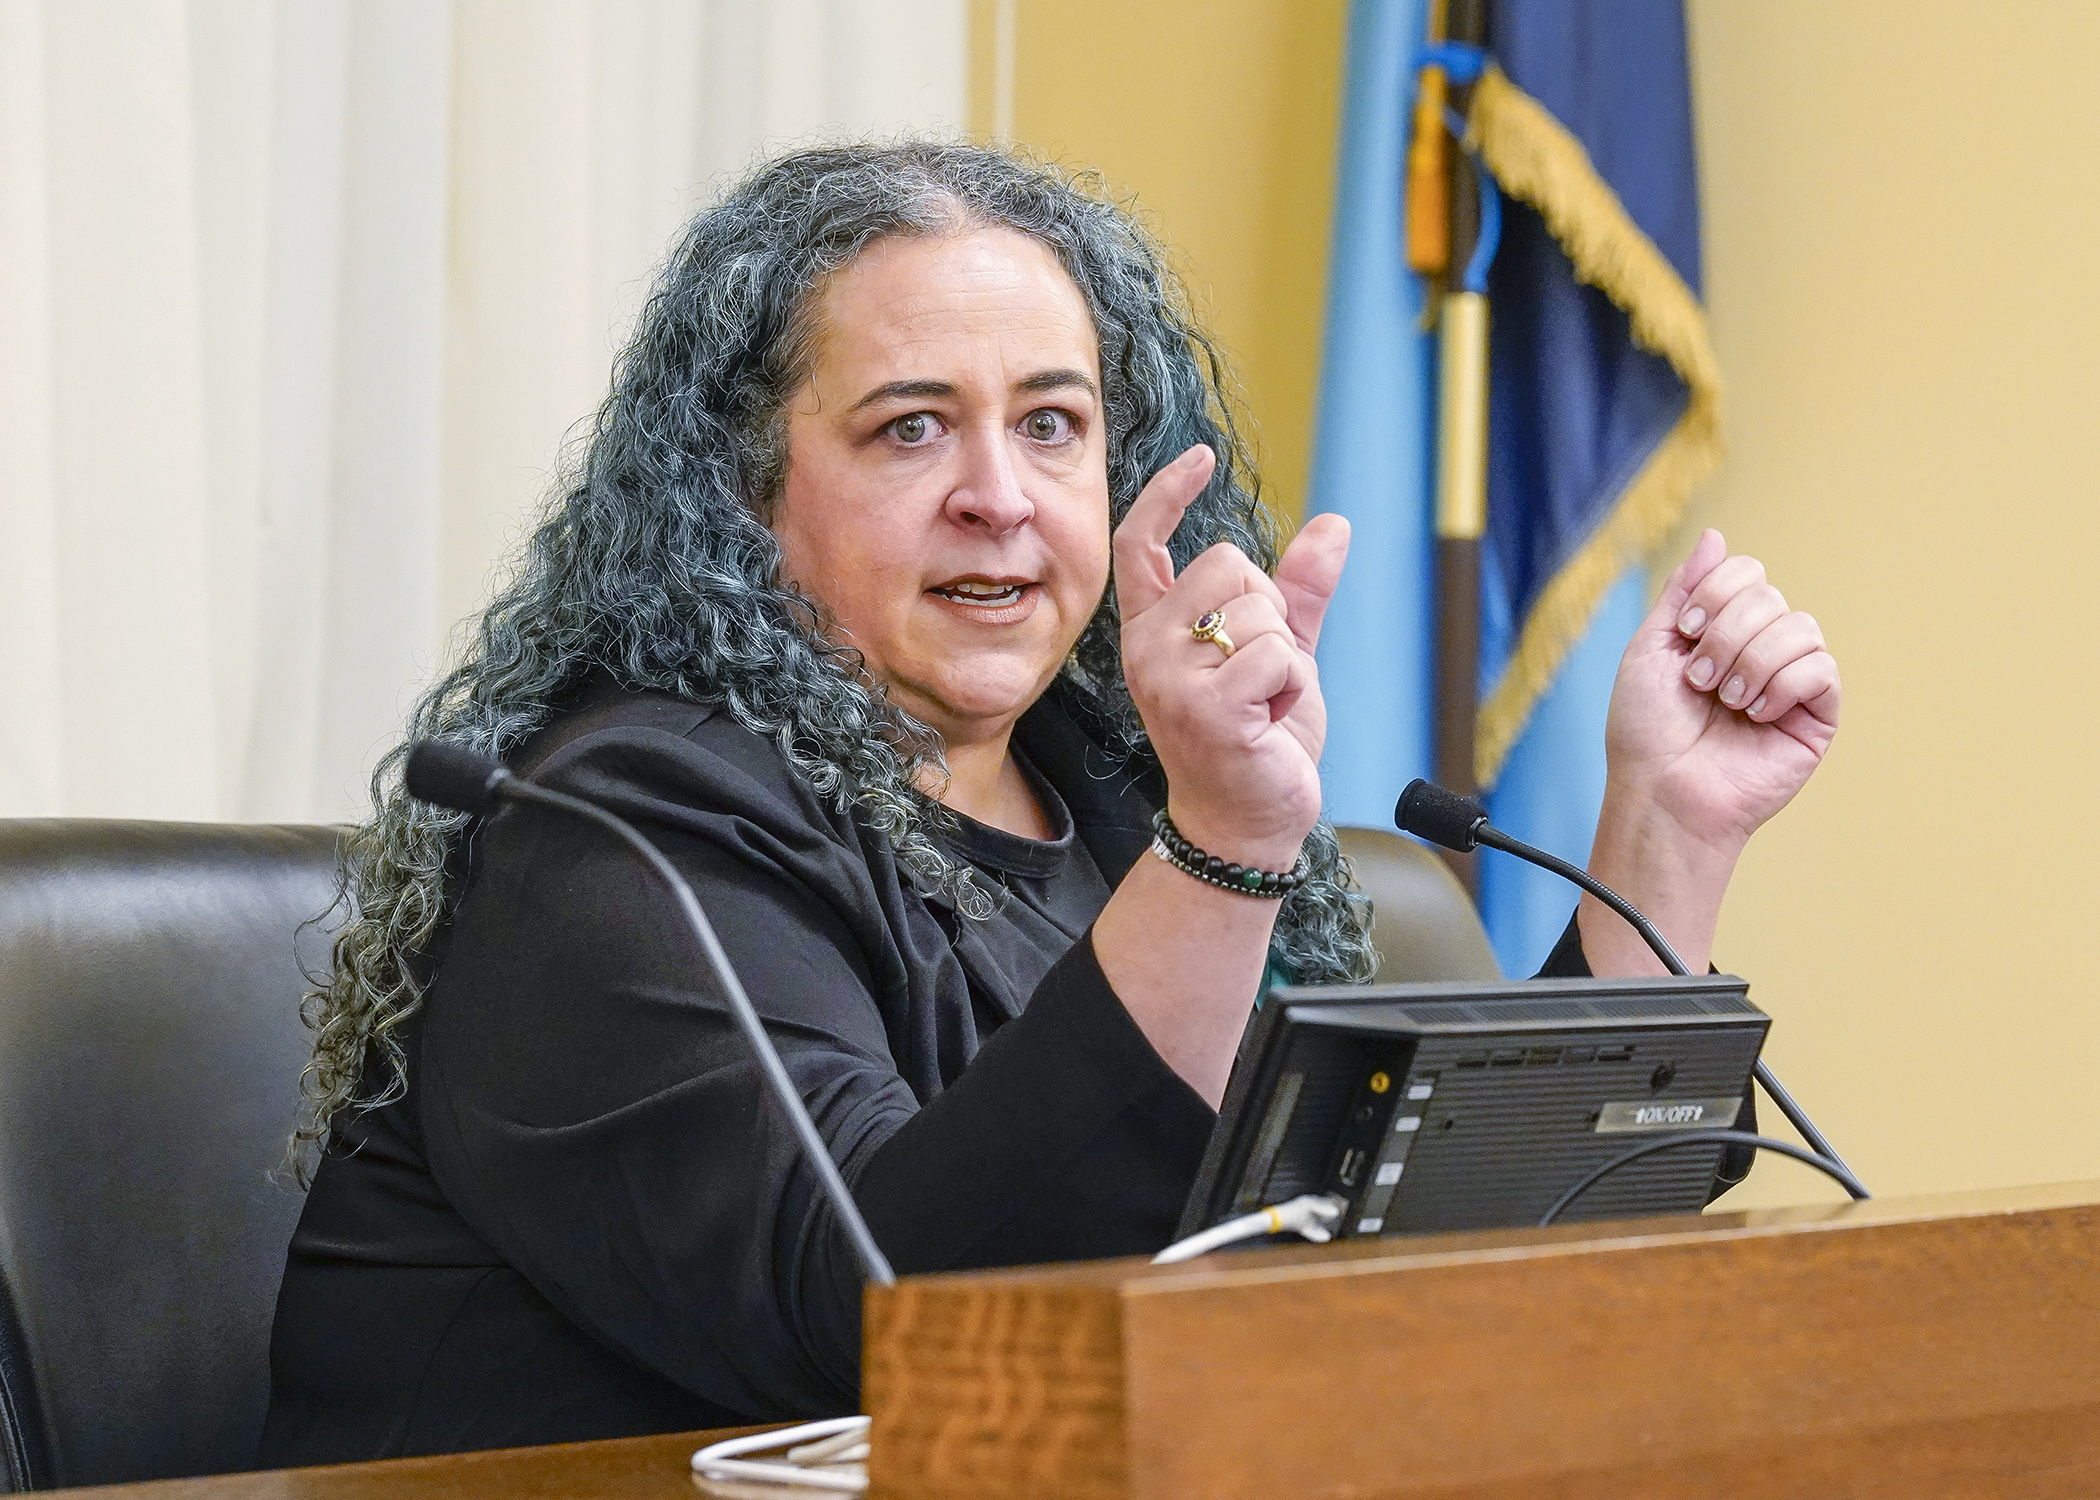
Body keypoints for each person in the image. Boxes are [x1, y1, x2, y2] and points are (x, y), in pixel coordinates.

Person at [259, 142, 1840, 1463]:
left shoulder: (1110, 806)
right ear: (742, 495)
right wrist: (1221, 846)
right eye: (909, 427)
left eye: (1052, 423)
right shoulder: (615, 838)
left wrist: (1667, 832)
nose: (999, 496)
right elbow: (901, 1321)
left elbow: (1424, 1264)